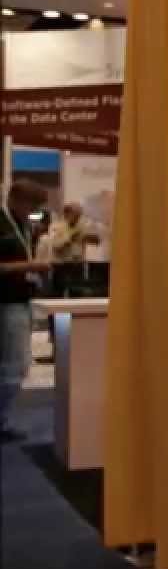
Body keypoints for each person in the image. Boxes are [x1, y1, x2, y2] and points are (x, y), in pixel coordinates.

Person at [1, 180, 50, 442]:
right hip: (6, 302)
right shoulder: (2, 224)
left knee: (17, 364)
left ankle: (3, 420)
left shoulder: (22, 225)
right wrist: (28, 267)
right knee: (14, 366)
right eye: (32, 206)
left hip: (21, 300)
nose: (34, 212)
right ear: (15, 200)